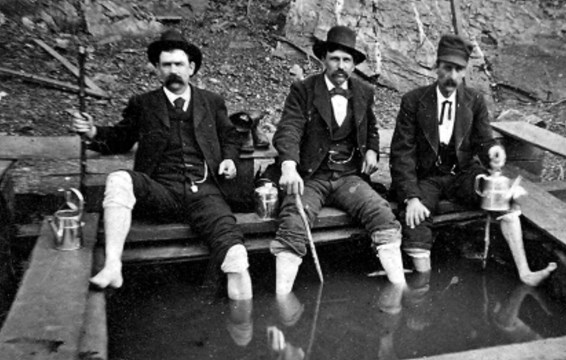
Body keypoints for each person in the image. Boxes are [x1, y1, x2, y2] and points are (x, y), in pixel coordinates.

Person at [70, 29, 253, 300]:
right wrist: (92, 132)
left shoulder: (211, 102)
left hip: (206, 194)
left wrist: (228, 159)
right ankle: (112, 266)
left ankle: (244, 328)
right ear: (157, 69)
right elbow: (120, 138)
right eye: (166, 65)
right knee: (118, 179)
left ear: (191, 68)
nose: (173, 71)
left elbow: (230, 137)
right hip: (160, 192)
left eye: (179, 64)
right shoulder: (143, 104)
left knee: (236, 257)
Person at [390, 33, 557, 286]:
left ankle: (525, 273)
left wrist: (493, 153)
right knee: (416, 219)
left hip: (463, 174)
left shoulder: (474, 100)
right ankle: (422, 289)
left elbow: (484, 141)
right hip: (427, 178)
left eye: (459, 70)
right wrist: (411, 197)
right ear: (436, 67)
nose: (453, 77)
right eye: (448, 68)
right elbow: (401, 153)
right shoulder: (414, 101)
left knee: (502, 197)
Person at [271, 25, 406, 294]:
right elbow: (289, 128)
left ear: (354, 64)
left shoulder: (363, 91)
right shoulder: (303, 90)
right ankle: (282, 299)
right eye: (335, 58)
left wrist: (371, 150)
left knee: (381, 213)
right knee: (294, 221)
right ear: (324, 60)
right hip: (311, 176)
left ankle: (400, 290)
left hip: (348, 177)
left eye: (347, 60)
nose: (340, 65)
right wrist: (288, 166)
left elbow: (372, 127)